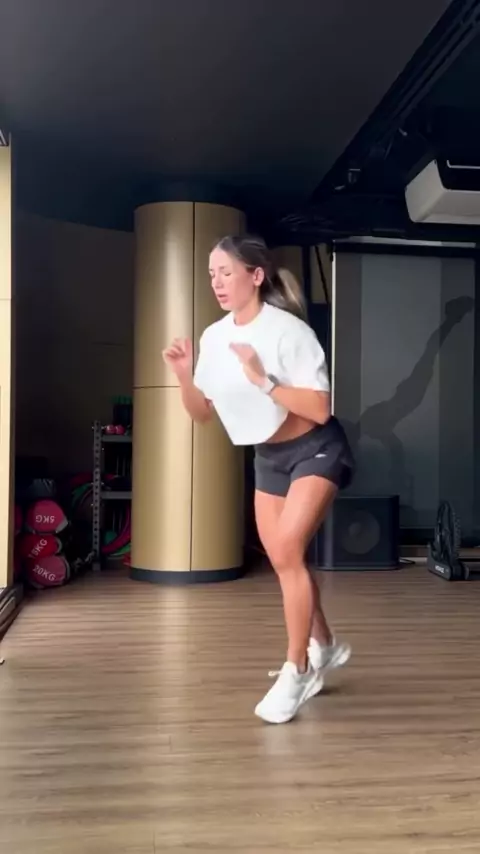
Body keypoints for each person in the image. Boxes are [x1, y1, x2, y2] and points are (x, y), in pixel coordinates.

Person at [163, 234, 354, 725]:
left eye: (226, 272)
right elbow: (202, 414)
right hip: (268, 457)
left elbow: (320, 408)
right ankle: (325, 643)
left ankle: (297, 669)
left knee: (287, 550)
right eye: (211, 273)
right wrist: (184, 375)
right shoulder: (213, 337)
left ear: (255, 275)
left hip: (316, 447)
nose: (217, 282)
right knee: (285, 561)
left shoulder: (288, 331)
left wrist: (264, 380)